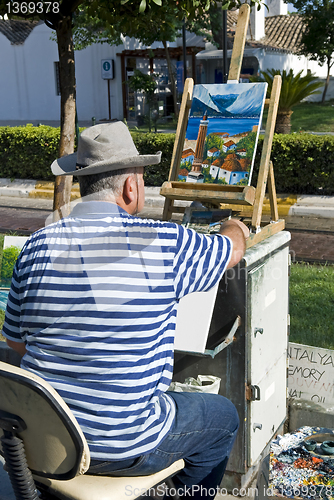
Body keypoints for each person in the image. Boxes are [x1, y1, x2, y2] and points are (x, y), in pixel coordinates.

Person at [3, 122, 249, 499]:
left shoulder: (35, 246)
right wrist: (236, 226)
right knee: (223, 417)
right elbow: (231, 250)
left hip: (45, 438)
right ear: (130, 187)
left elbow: (18, 347)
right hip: (122, 447)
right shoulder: (165, 242)